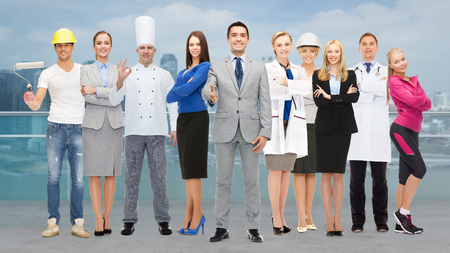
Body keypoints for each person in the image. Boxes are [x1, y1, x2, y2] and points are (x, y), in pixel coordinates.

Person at [202, 21, 271, 243]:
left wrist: (266, 132)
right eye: (234, 35)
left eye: (242, 35)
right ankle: (221, 227)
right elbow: (208, 87)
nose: (238, 38)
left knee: (252, 181)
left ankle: (253, 228)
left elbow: (265, 101)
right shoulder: (216, 66)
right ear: (228, 39)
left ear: (247, 40)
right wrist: (210, 96)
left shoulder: (259, 67)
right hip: (224, 129)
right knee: (223, 181)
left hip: (252, 131)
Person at [109, 16, 178, 236]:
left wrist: (174, 127)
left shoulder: (165, 75)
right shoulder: (127, 74)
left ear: (154, 50)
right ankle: (129, 220)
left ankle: (163, 220)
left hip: (158, 132)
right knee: (131, 179)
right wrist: (119, 80)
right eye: (142, 48)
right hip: (133, 132)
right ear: (137, 50)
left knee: (159, 178)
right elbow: (113, 100)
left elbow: (173, 103)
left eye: (149, 48)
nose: (146, 51)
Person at [24, 28, 90, 238]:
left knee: (78, 179)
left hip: (80, 128)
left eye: (66, 45)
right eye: (59, 45)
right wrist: (29, 100)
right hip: (55, 129)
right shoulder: (47, 73)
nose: (63, 49)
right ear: (55, 48)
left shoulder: (83, 71)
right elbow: (37, 104)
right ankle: (52, 223)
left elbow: (96, 95)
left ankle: (77, 223)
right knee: (53, 177)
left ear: (72, 47)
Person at [263, 31, 311, 235]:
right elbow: (270, 91)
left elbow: (306, 89)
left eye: (286, 44)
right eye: (279, 45)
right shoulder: (267, 69)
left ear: (291, 46)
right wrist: (292, 86)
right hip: (275, 124)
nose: (283, 48)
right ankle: (276, 216)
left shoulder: (299, 70)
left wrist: (283, 82)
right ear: (273, 47)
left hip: (293, 125)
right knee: (275, 170)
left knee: (285, 172)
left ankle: (280, 215)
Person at [312, 40, 359, 236]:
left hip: (343, 127)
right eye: (330, 51)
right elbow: (318, 102)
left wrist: (330, 97)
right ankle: (328, 219)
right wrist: (341, 97)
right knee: (325, 173)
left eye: (336, 51)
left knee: (338, 173)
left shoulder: (351, 75)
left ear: (341, 53)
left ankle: (338, 218)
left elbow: (354, 98)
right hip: (323, 128)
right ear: (326, 54)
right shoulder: (317, 74)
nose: (333, 54)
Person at [80, 31, 124, 236]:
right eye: (99, 43)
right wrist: (109, 92)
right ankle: (98, 218)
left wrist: (96, 90)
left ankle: (108, 216)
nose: (103, 46)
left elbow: (119, 97)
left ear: (111, 46)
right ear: (94, 46)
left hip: (114, 125)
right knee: (95, 173)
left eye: (106, 43)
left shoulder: (119, 69)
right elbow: (87, 98)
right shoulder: (85, 70)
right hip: (93, 126)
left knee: (111, 172)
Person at [166, 31, 210, 236]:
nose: (194, 48)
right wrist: (184, 88)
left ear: (203, 47)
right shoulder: (184, 71)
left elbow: (188, 89)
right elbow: (170, 96)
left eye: (198, 44)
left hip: (198, 119)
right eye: (191, 44)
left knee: (194, 171)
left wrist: (183, 88)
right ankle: (188, 214)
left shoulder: (205, 67)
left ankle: (198, 214)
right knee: (187, 173)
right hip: (182, 120)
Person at [347, 33, 391, 233]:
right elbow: (349, 97)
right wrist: (374, 91)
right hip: (356, 132)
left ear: (377, 48)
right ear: (359, 48)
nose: (367, 47)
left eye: (371, 44)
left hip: (378, 131)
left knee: (380, 181)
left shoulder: (387, 71)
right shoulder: (349, 72)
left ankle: (381, 220)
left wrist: (362, 88)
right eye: (364, 44)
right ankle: (358, 221)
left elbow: (388, 90)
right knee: (356, 181)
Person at [387, 47, 431, 235]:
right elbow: (414, 101)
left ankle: (400, 224)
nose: (401, 63)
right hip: (401, 130)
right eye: (396, 62)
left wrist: (417, 99)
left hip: (413, 132)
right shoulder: (393, 81)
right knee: (420, 169)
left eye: (403, 59)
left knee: (404, 177)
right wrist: (417, 100)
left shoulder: (413, 80)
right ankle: (404, 214)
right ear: (391, 65)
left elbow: (427, 103)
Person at [292, 32, 321, 233]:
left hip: (317, 124)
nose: (308, 54)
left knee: (311, 171)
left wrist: (305, 95)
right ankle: (301, 215)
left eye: (312, 50)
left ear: (317, 52)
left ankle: (309, 214)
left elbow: (322, 100)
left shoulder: (324, 73)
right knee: (298, 171)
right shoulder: (293, 72)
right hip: (297, 124)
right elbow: (293, 95)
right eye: (304, 50)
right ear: (299, 52)